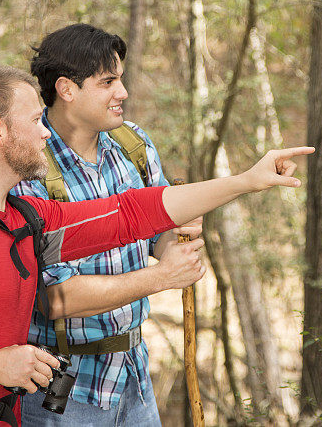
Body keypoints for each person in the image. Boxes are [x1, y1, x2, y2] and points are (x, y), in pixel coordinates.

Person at [0, 65, 313, 426]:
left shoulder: (25, 221)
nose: (47, 133)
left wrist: (247, 181)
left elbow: (131, 213)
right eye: (34, 120)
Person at [12, 24, 202, 426]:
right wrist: (163, 277)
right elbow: (56, 298)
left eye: (122, 79)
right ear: (66, 89)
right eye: (108, 82)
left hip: (133, 376)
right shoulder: (28, 166)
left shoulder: (132, 144)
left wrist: (175, 240)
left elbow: (159, 233)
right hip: (62, 391)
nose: (123, 93)